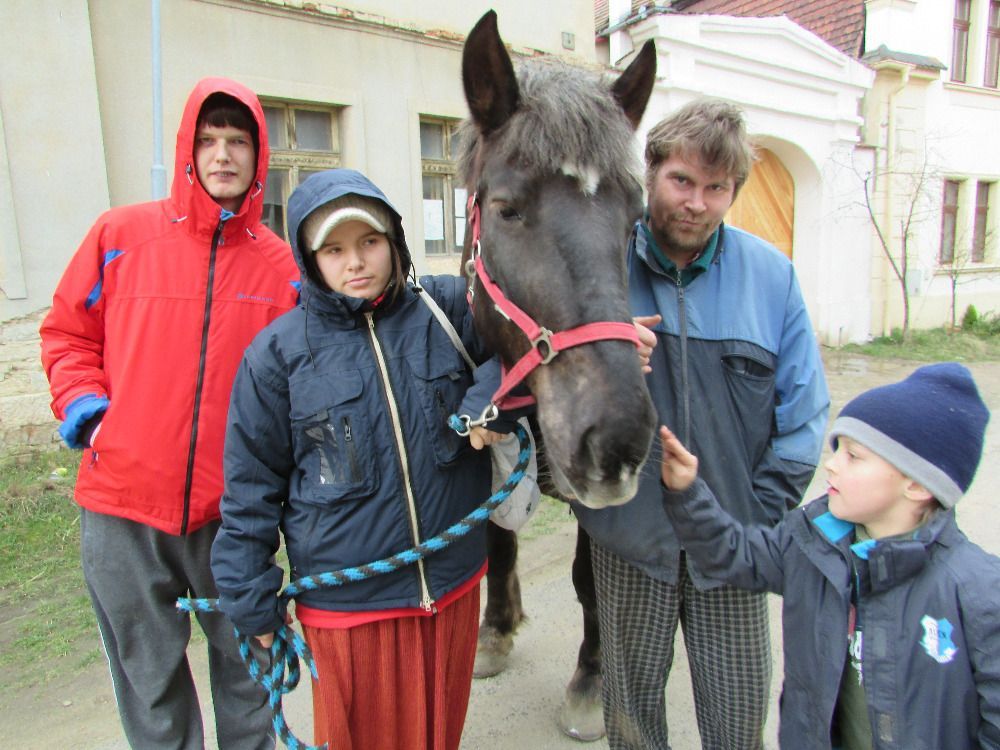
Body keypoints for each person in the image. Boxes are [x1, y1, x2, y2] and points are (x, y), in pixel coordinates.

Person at [39, 78, 299, 749]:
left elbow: (305, 382)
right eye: (209, 139)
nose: (222, 155)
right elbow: (67, 334)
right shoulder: (120, 236)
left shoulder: (284, 270)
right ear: (187, 147)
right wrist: (91, 415)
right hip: (122, 510)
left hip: (233, 519)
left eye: (237, 140)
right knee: (150, 687)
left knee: (250, 675)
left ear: (257, 154)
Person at [210, 168, 509, 750]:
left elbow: (519, 348)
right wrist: (252, 604)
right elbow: (250, 490)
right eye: (335, 249)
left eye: (369, 242)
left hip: (451, 585)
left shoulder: (448, 309)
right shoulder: (276, 357)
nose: (356, 262)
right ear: (309, 259)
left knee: (438, 736)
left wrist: (488, 398)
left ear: (393, 242)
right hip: (350, 611)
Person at [572, 96, 831, 750]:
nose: (696, 202)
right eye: (682, 180)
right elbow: (547, 379)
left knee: (739, 722)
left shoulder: (772, 278)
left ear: (733, 191)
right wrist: (599, 350)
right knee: (631, 722)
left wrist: (753, 522)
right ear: (650, 172)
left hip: (734, 545)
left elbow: (804, 420)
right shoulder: (600, 266)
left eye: (717, 188)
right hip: (628, 540)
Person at [658, 362, 1000, 749]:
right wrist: (687, 492)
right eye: (837, 450)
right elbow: (733, 554)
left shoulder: (978, 592)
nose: (831, 464)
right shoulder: (810, 542)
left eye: (854, 456)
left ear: (917, 484)